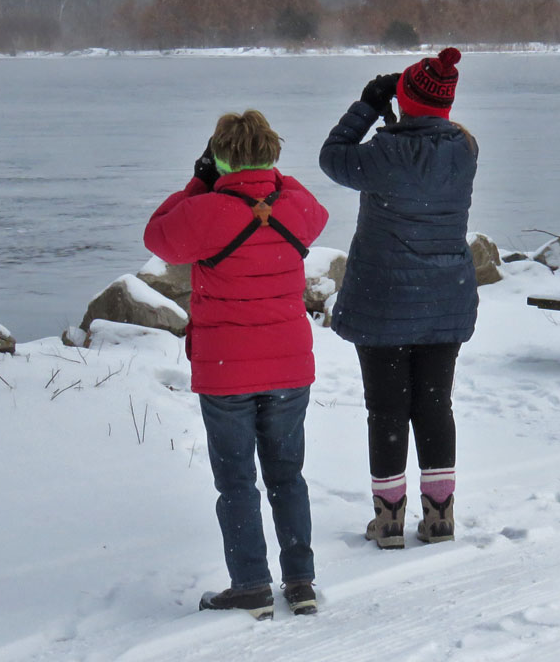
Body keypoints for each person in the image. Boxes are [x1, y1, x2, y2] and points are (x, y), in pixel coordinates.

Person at [144, 109, 328, 618]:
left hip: (227, 370)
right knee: (288, 475)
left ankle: (250, 584)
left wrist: (199, 182)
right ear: (273, 155)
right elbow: (314, 210)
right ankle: (301, 582)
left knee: (237, 481)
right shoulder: (296, 206)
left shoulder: (206, 212)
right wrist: (271, 177)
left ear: (217, 157)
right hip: (290, 367)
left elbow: (156, 235)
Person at [319, 48, 479, 548]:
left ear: (403, 100)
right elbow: (428, 139)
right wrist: (406, 112)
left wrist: (369, 104)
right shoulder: (465, 149)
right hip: (444, 297)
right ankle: (440, 517)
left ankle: (388, 520)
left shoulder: (382, 153)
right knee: (435, 406)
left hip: (384, 301)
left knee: (387, 410)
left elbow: (333, 157)